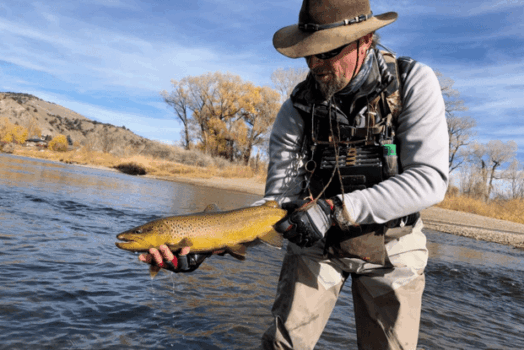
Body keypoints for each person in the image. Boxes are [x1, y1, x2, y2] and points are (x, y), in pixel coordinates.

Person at [140, 0, 448, 348]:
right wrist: (208, 246)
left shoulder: (411, 83)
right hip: (315, 240)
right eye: (308, 54)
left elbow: (429, 180)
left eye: (327, 51)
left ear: (367, 39)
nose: (315, 64)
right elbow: (277, 202)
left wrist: (335, 210)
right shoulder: (297, 107)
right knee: (282, 345)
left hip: (394, 243)